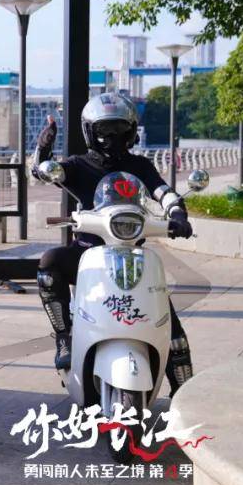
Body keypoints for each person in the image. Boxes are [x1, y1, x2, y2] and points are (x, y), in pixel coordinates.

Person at [32, 92, 194, 395]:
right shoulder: (78, 165)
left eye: (119, 129)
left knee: (173, 333)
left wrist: (178, 213)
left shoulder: (141, 165)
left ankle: (187, 396)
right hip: (87, 254)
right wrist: (43, 147)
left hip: (132, 254)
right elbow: (44, 172)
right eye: (104, 130)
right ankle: (64, 335)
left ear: (131, 131)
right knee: (49, 262)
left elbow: (163, 191)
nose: (112, 136)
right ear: (90, 131)